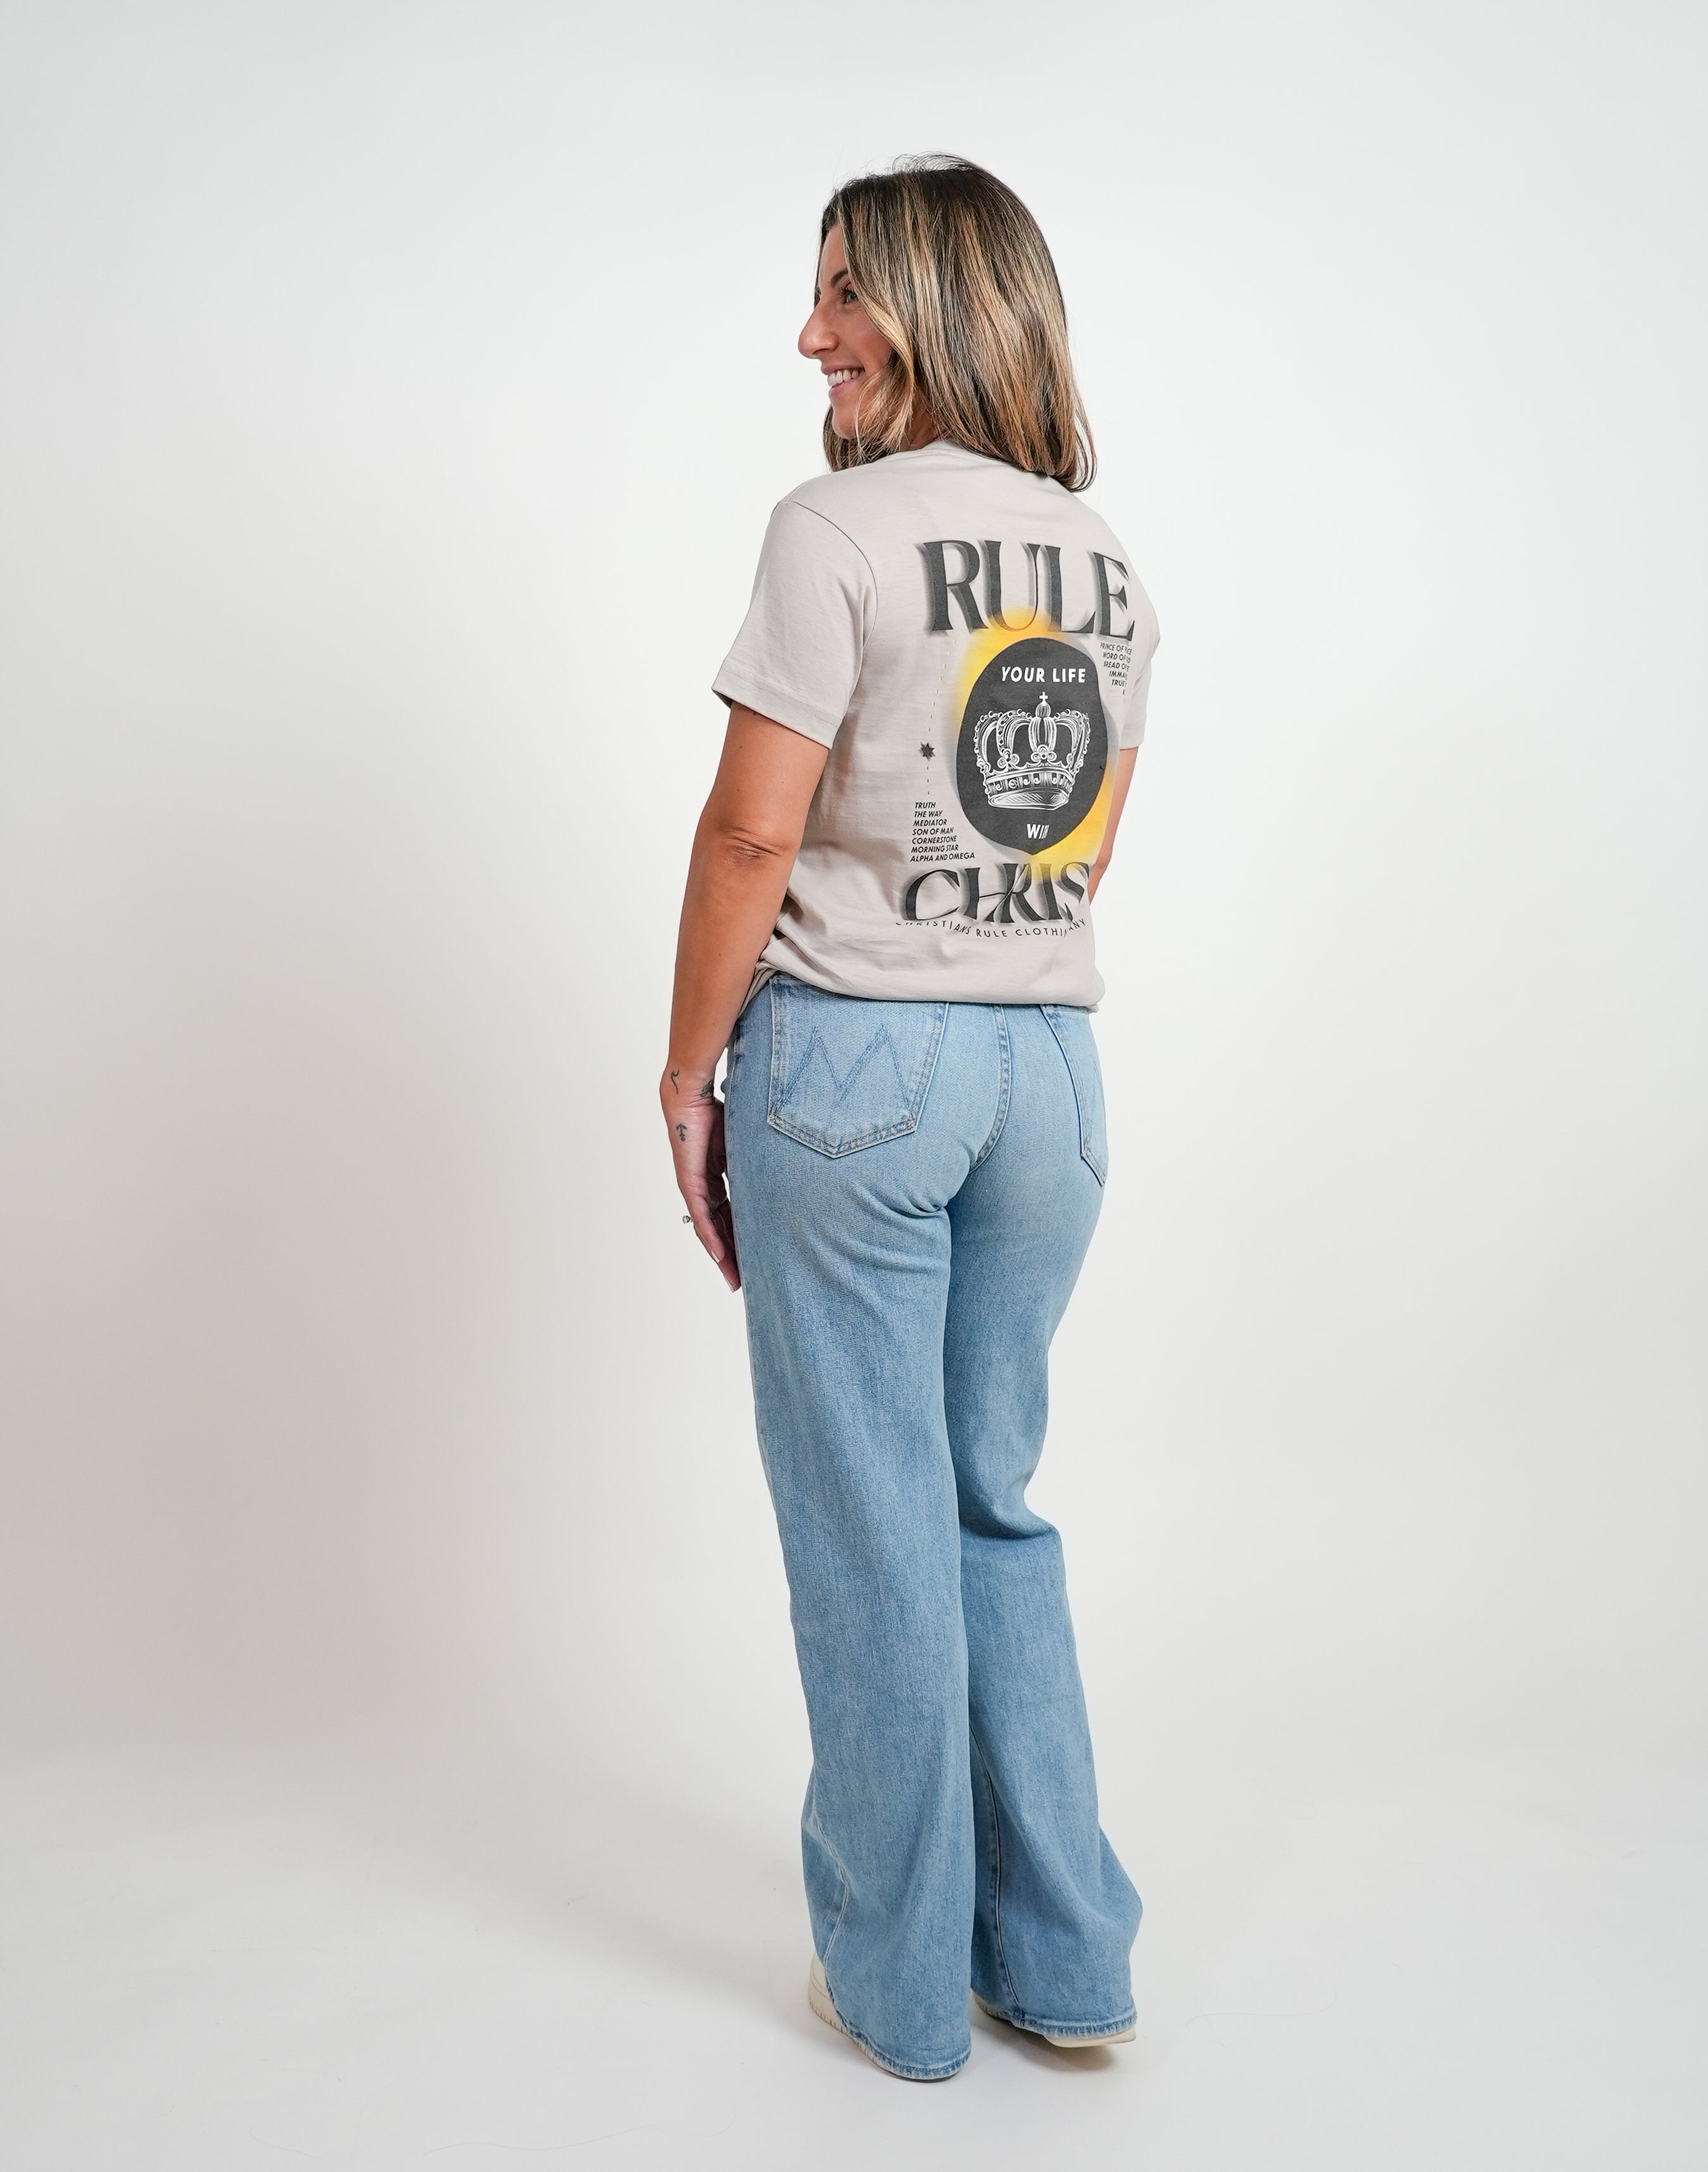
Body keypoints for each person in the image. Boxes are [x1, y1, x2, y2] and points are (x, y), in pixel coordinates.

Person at [661, 156, 1155, 2083]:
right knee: (985, 1507)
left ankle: (893, 1989)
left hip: (860, 1062)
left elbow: (750, 833)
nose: (811, 337)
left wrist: (691, 1072)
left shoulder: (835, 529)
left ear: (939, 307)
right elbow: (1082, 837)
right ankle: (1066, 1963)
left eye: (845, 294)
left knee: (872, 1529)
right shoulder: (1103, 562)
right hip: (1050, 1074)